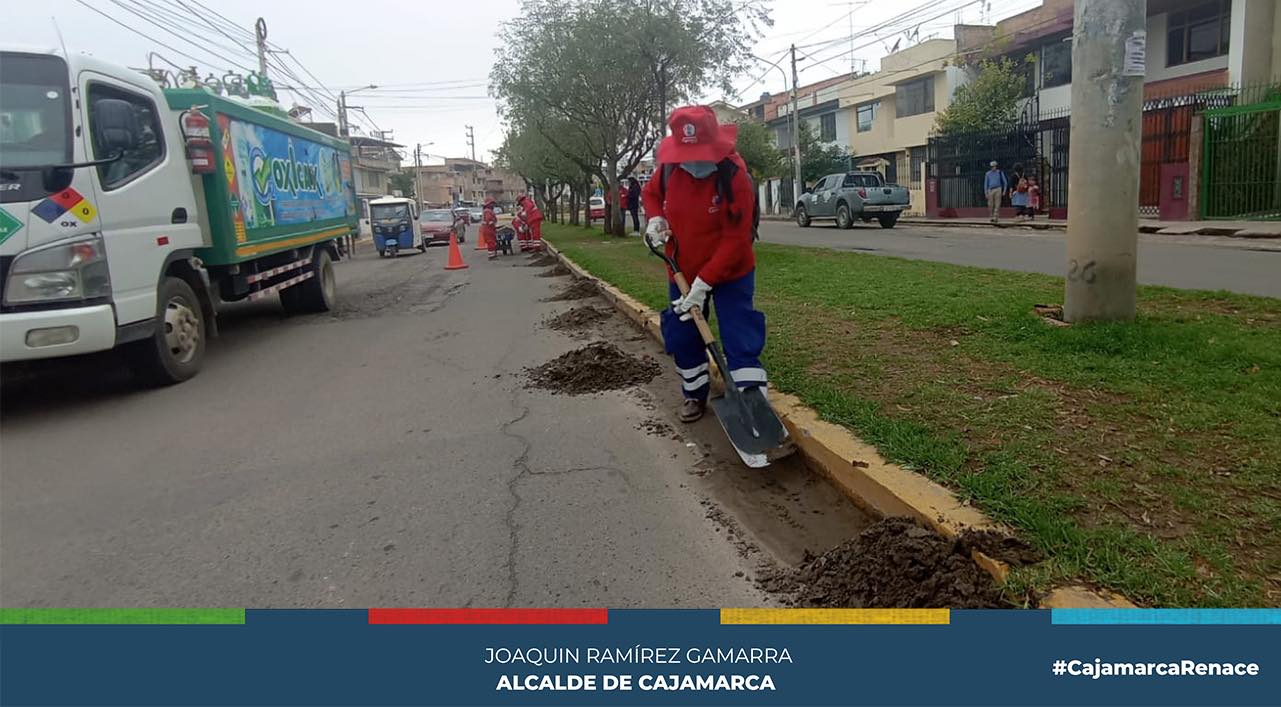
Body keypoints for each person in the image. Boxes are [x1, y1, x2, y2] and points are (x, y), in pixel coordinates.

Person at [642, 105, 764, 424]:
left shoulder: (735, 175)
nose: (694, 163)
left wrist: (706, 282)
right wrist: (656, 218)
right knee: (683, 334)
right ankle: (694, 394)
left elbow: (737, 239)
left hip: (732, 271)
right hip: (682, 269)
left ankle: (751, 398)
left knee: (739, 330)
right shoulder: (669, 170)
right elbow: (650, 194)